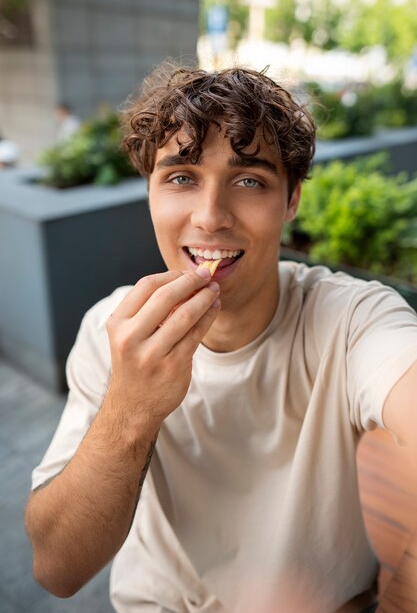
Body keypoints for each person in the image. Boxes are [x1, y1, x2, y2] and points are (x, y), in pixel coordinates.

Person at [25, 63, 417, 613]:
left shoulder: (352, 318)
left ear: (291, 201)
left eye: (249, 179)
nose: (210, 218)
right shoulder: (109, 330)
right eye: (181, 177)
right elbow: (57, 569)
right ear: (150, 194)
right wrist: (130, 410)